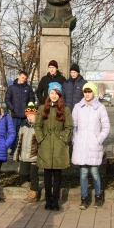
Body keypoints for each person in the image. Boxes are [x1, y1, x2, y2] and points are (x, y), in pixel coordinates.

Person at [72, 82, 110, 209]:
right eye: (85, 91)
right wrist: (75, 140)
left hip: (94, 145)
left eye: (89, 91)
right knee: (83, 172)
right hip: (81, 145)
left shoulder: (100, 108)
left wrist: (98, 140)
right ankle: (84, 198)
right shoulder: (78, 107)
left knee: (94, 171)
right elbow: (74, 126)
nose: (87, 94)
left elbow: (106, 127)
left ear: (93, 92)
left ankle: (98, 196)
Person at [35, 82, 73, 211]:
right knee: (46, 173)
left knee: (57, 173)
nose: (54, 96)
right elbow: (38, 126)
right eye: (52, 93)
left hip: (58, 145)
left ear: (59, 95)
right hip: (46, 144)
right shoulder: (42, 108)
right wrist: (41, 139)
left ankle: (55, 200)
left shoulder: (65, 109)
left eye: (56, 93)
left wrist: (63, 139)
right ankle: (48, 199)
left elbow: (69, 127)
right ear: (48, 94)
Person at [5, 71, 36, 158]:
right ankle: (13, 149)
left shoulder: (28, 88)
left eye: (25, 78)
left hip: (25, 116)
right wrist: (12, 108)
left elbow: (32, 99)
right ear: (18, 76)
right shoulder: (11, 88)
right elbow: (7, 99)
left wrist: (28, 110)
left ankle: (23, 150)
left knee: (25, 134)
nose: (24, 79)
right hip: (15, 116)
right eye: (22, 77)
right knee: (13, 133)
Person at [13, 103, 40, 203]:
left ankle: (34, 194)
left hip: (34, 156)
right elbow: (19, 141)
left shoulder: (38, 127)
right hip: (23, 156)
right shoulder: (23, 127)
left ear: (36, 116)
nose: (30, 117)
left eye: (32, 115)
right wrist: (16, 154)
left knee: (34, 174)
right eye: (28, 116)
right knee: (23, 173)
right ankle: (31, 184)